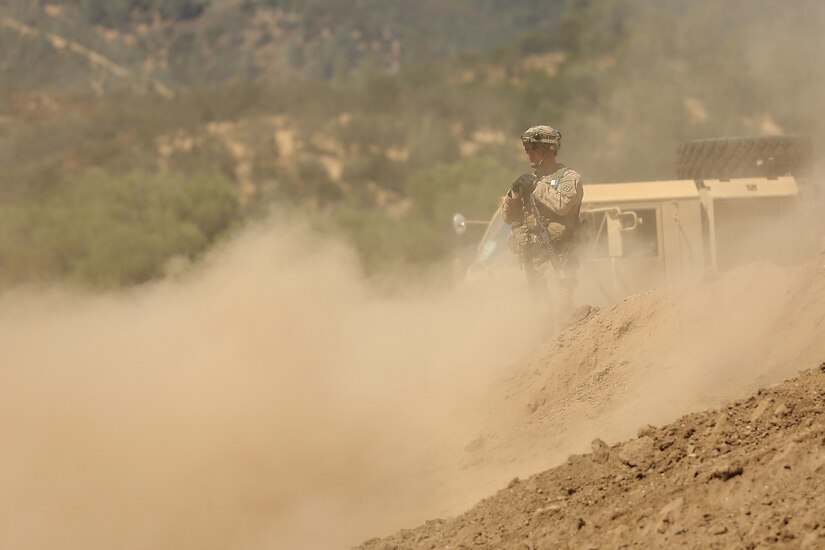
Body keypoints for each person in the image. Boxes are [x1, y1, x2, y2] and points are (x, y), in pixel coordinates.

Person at [501, 125, 584, 324]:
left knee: (560, 313)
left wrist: (536, 188)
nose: (529, 153)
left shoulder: (569, 178)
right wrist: (513, 194)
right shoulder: (529, 181)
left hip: (557, 258)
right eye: (527, 149)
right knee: (540, 317)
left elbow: (562, 205)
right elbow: (507, 217)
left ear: (549, 150)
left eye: (534, 149)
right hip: (532, 260)